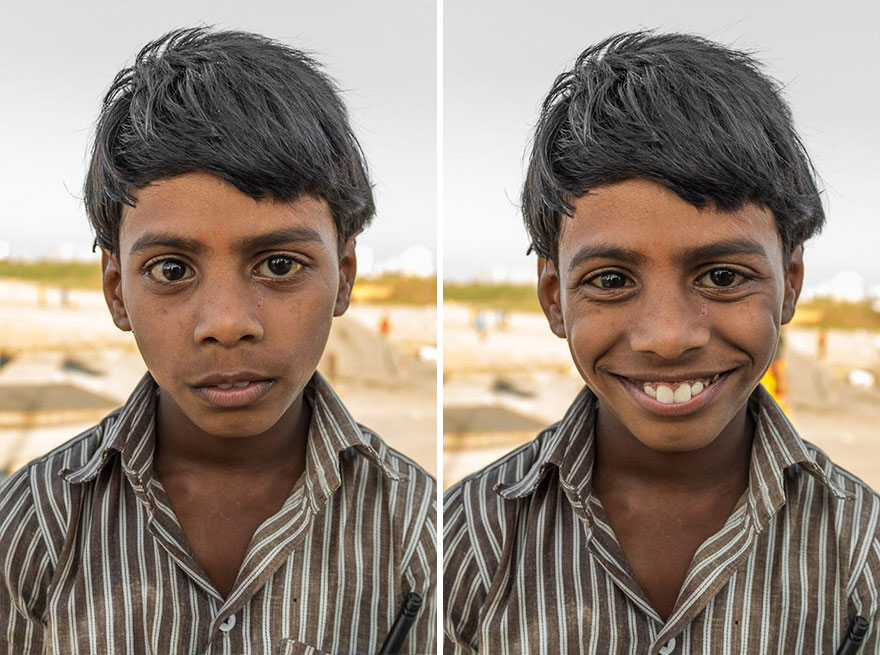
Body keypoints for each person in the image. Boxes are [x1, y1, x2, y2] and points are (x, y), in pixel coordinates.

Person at [0, 28, 435, 654]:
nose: (227, 322)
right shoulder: (29, 528)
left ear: (345, 277)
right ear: (117, 290)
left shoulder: (424, 536)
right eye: (172, 270)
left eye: (280, 265)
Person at [443, 31, 879, 653]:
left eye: (723, 277)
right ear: (552, 296)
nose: (668, 338)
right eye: (612, 281)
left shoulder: (862, 554)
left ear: (790, 284)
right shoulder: (463, 545)